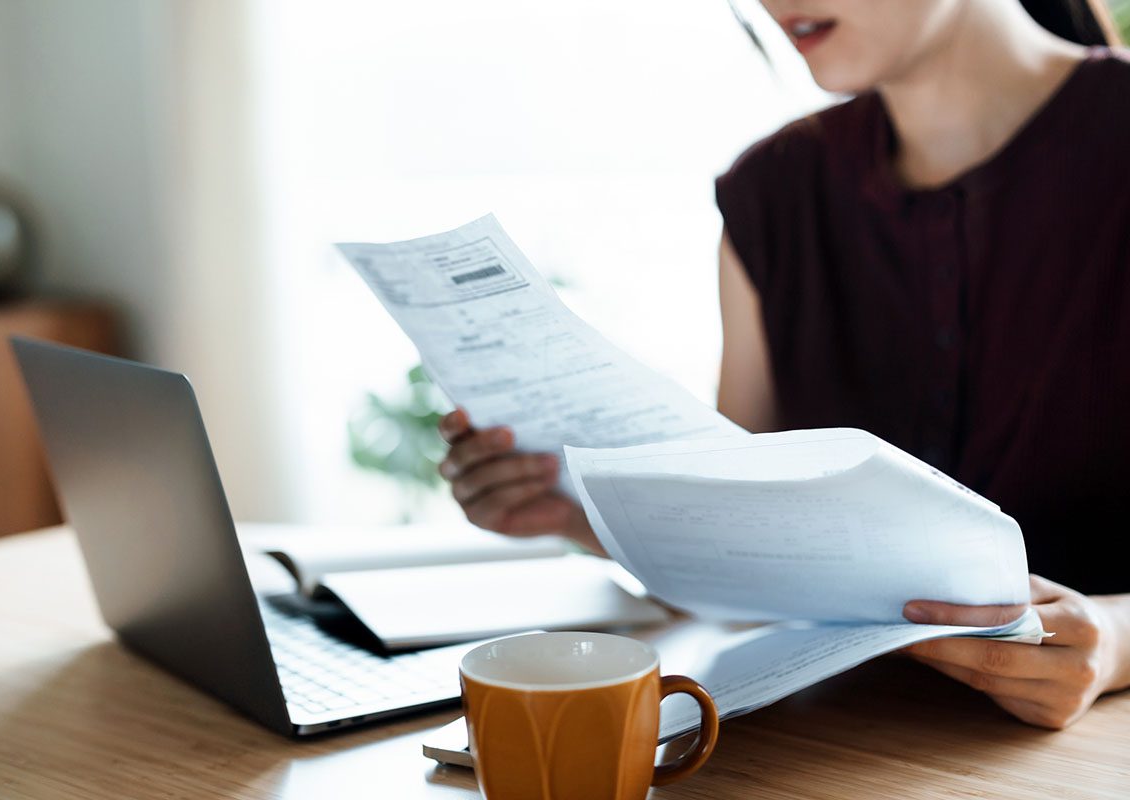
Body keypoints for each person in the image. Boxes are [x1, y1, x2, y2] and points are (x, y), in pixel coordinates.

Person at [436, 0, 1130, 729]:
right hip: (825, 744)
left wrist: (1114, 642)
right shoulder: (771, 192)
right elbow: (752, 548)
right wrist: (575, 516)